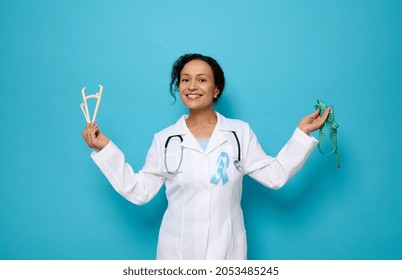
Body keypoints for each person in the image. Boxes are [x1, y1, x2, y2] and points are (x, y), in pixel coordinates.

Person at [82, 53, 330, 260]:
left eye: (202, 80)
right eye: (185, 79)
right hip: (176, 254)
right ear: (178, 87)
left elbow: (275, 176)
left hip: (226, 253)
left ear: (216, 89)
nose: (192, 86)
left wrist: (302, 134)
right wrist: (105, 149)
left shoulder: (238, 133)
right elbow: (140, 191)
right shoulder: (165, 139)